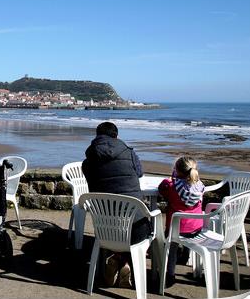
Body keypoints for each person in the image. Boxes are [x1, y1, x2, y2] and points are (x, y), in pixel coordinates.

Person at [82, 121, 150, 288]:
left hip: (105, 226)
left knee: (119, 231)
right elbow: (139, 173)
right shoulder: (128, 152)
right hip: (135, 227)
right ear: (117, 136)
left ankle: (116, 258)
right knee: (146, 226)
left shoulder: (88, 161)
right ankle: (123, 261)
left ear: (97, 136)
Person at [158, 156, 205, 287]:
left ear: (177, 171)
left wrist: (169, 179)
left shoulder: (172, 187)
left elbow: (162, 189)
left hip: (175, 230)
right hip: (196, 229)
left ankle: (170, 274)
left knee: (172, 247)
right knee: (188, 225)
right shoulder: (200, 186)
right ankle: (185, 255)